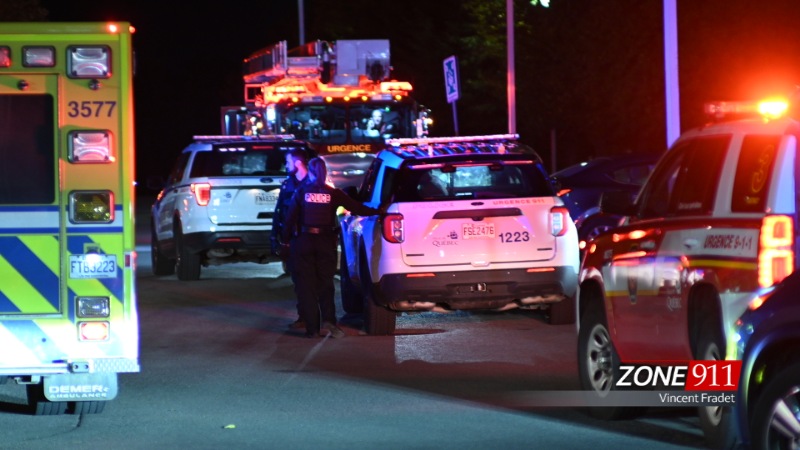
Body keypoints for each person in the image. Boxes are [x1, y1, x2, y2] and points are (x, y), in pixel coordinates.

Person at [282, 157, 382, 339]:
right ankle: (329, 321)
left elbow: (289, 219)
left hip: (304, 242)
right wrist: (380, 211)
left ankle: (312, 329)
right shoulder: (333, 193)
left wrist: (284, 242)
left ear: (311, 173)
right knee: (325, 284)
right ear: (325, 172)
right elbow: (357, 208)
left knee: (306, 285)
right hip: (326, 243)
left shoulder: (302, 191)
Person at [270, 149, 309, 329]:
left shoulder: (315, 184)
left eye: (288, 162)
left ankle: (321, 318)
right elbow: (279, 213)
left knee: (317, 282)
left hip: (312, 239)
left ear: (298, 162)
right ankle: (304, 317)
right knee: (299, 280)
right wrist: (274, 237)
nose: (286, 166)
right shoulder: (287, 185)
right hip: (293, 239)